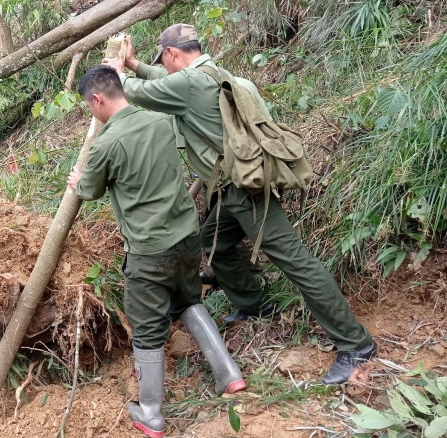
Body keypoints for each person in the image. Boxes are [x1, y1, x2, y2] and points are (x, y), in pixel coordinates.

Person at [102, 24, 376, 385]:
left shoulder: (188, 84)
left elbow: (141, 94)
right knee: (214, 242)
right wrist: (135, 64)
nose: (163, 67)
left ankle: (355, 344)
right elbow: (161, 81)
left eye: (162, 61)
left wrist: (117, 73)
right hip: (235, 191)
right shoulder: (217, 74)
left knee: (297, 263)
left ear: (171, 54)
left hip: (244, 193)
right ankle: (254, 304)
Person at [68, 65, 246, 438]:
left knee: (148, 327)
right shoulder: (162, 122)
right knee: (188, 300)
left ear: (97, 100)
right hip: (186, 236)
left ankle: (150, 413)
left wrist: (77, 182)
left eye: (89, 106)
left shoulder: (105, 144)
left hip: (149, 251)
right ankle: (228, 373)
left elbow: (90, 190)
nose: (91, 113)